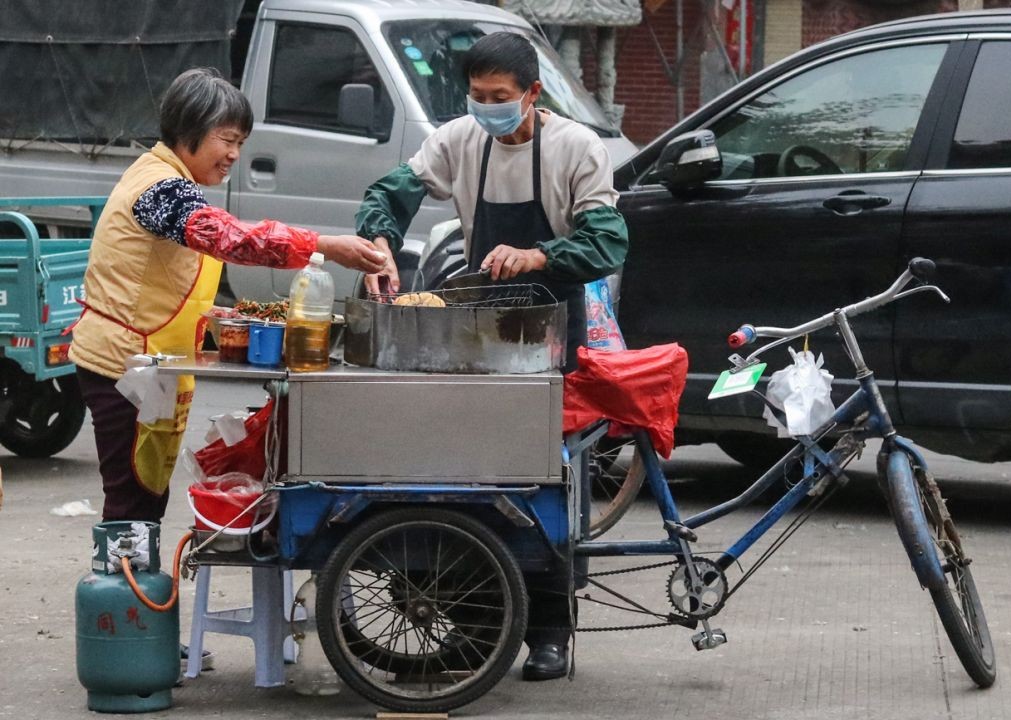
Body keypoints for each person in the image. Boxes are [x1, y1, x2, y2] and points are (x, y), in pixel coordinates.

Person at [353, 32, 629, 680]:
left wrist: (541, 255)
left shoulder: (575, 149)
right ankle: (476, 630)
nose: (487, 109)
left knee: (546, 483)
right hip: (482, 335)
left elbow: (608, 241)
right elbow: (390, 193)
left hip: (554, 333)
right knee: (476, 482)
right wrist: (379, 246)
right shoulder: (460, 141)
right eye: (477, 97)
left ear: (532, 94)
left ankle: (551, 633)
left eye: (499, 98)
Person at [70, 68, 387, 525]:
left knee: (146, 498)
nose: (235, 154)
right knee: (130, 503)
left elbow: (172, 280)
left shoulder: (173, 182)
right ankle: (125, 592)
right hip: (124, 367)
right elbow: (232, 239)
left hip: (153, 367)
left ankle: (140, 588)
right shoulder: (160, 188)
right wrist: (323, 246)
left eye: (240, 142)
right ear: (190, 131)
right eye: (228, 140)